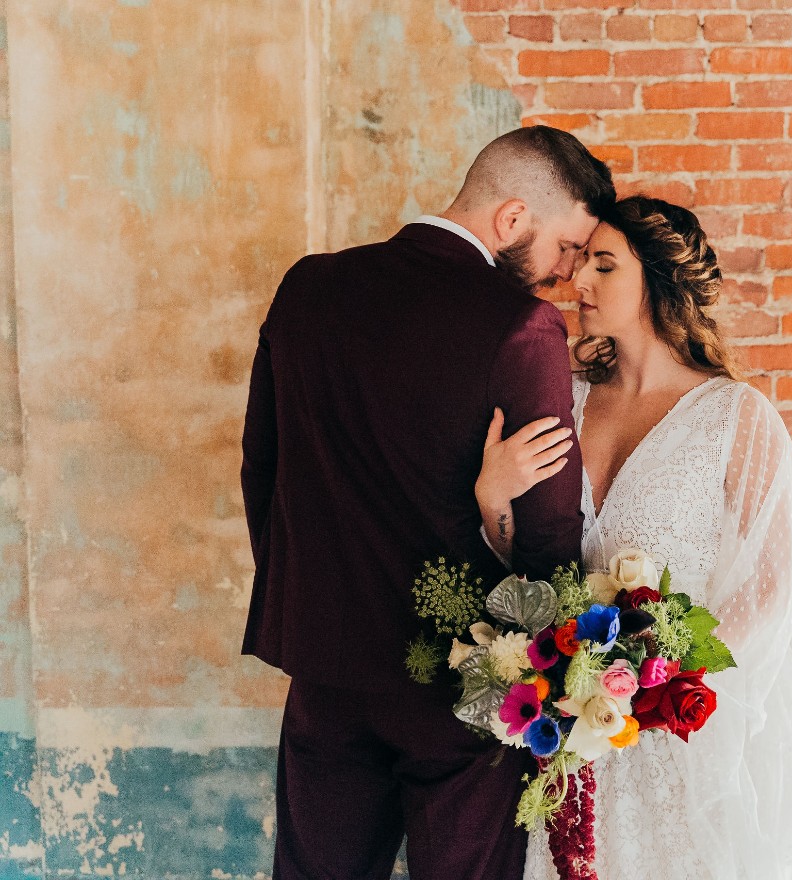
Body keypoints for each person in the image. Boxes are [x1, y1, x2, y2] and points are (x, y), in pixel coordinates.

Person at [240, 125, 614, 880]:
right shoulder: (521, 328)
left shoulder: (307, 287)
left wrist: (306, 599)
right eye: (568, 248)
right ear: (512, 219)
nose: (567, 274)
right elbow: (548, 535)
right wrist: (548, 682)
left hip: (323, 671)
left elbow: (262, 469)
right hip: (461, 691)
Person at [477, 195, 792, 879]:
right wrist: (493, 497)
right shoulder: (564, 401)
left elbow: (772, 588)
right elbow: (524, 566)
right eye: (581, 262)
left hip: (679, 737)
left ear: (658, 282)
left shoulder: (735, 416)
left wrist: (652, 681)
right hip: (571, 731)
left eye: (604, 265)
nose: (578, 281)